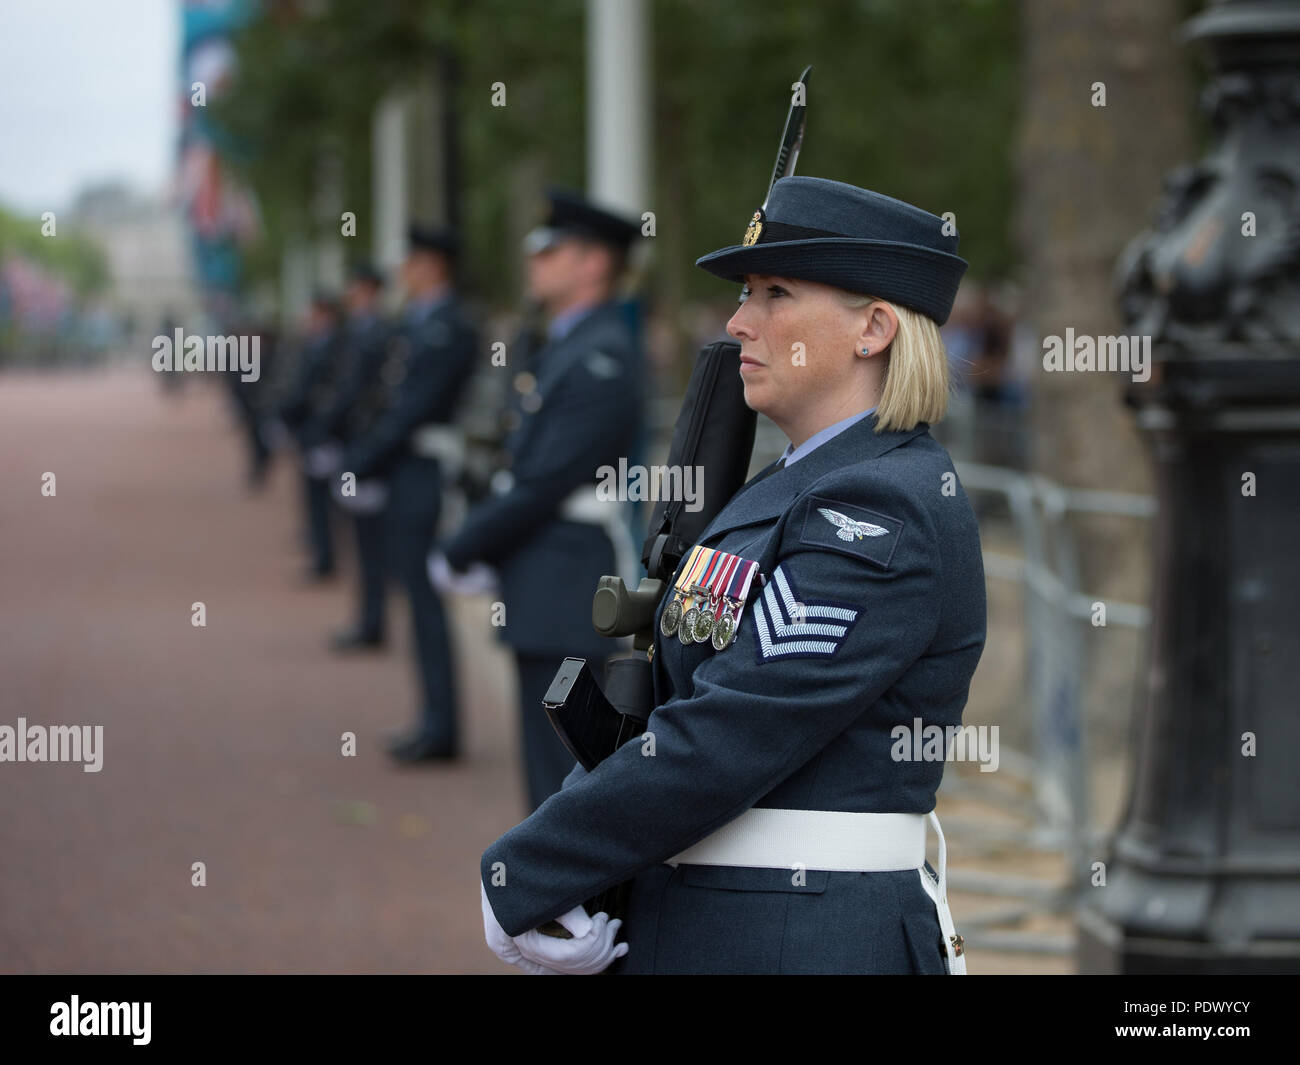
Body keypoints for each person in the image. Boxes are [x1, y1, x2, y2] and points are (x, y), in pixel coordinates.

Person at [478, 175, 987, 975]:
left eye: (776, 292)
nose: (739, 321)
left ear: (874, 328)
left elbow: (734, 728)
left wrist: (535, 862)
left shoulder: (883, 507)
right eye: (747, 292)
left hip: (805, 938)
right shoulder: (791, 486)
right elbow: (672, 695)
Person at [431, 190, 645, 811]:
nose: (536, 263)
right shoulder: (566, 343)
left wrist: (463, 546)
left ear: (594, 264)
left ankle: (572, 903)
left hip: (566, 578)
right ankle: (557, 899)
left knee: (563, 773)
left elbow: (544, 482)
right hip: (545, 575)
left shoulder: (600, 354)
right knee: (546, 766)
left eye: (552, 251)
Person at [342, 227, 479, 764]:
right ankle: (432, 719)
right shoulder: (418, 322)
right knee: (417, 604)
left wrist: (362, 460)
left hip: (420, 472)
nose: (404, 270)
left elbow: (412, 408)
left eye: (413, 261)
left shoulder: (448, 326)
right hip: (404, 470)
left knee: (425, 606)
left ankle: (442, 727)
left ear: (433, 265)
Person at [302, 262, 392, 651]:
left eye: (357, 289)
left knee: (372, 544)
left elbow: (356, 391)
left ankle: (373, 623)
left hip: (371, 445)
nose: (351, 296)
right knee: (363, 543)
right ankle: (369, 620)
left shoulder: (376, 333)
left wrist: (324, 428)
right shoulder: (357, 332)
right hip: (357, 441)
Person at [277, 293, 346, 580]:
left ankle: (326, 557)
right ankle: (321, 550)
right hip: (310, 430)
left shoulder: (339, 346)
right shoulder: (311, 345)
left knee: (328, 500)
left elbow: (336, 392)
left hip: (328, 433)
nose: (309, 320)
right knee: (314, 499)